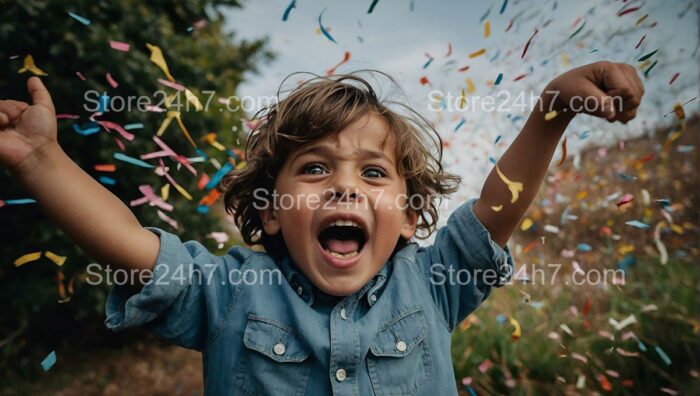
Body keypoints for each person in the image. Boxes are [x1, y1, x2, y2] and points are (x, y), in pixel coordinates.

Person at [0, 61, 643, 395]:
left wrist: (551, 113)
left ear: (411, 215)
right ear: (273, 209)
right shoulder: (229, 292)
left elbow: (496, 212)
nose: (344, 186)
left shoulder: (433, 282)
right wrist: (41, 160)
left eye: (372, 173)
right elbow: (132, 247)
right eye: (314, 168)